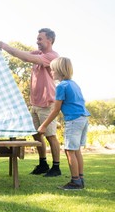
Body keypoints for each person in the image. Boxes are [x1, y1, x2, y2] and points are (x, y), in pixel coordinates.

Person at [0, 28, 61, 177]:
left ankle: (56, 167)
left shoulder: (52, 56)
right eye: (37, 39)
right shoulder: (38, 53)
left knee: (50, 136)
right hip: (36, 104)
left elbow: (26, 58)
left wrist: (6, 46)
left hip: (48, 103)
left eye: (40, 39)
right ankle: (43, 163)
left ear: (49, 40)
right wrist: (4, 49)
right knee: (36, 135)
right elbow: (22, 55)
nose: (37, 41)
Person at [38, 57, 90, 190]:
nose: (51, 72)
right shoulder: (74, 84)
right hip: (83, 118)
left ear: (59, 71)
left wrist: (43, 125)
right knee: (76, 149)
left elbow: (56, 109)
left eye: (53, 70)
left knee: (69, 150)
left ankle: (75, 182)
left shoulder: (61, 86)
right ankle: (80, 179)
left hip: (73, 119)